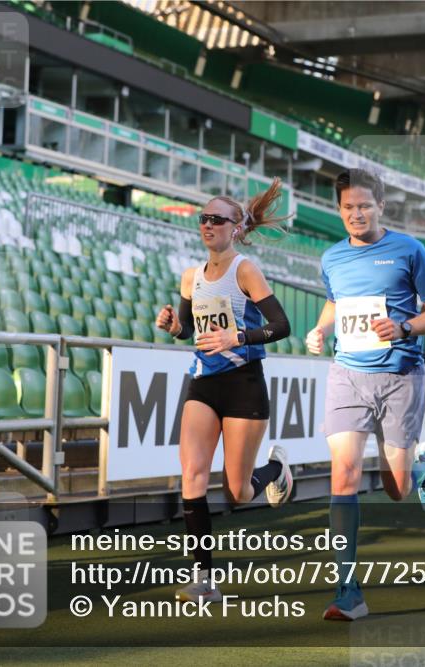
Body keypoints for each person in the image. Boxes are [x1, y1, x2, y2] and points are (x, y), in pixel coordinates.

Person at [305, 168, 425, 621]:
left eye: (364, 205)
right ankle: (348, 591)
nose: (356, 213)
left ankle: (424, 468)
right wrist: (321, 327)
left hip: (399, 376)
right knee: (344, 473)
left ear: (381, 206)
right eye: (348, 206)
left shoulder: (409, 249)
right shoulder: (332, 257)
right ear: (339, 209)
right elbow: (335, 301)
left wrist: (404, 326)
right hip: (347, 374)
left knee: (397, 489)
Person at [155, 178, 295, 603]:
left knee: (238, 490)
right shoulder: (190, 276)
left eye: (217, 219)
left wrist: (239, 338)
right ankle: (204, 579)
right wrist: (173, 325)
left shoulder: (245, 269)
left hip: (244, 383)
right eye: (203, 218)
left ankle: (276, 472)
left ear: (236, 227)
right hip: (203, 381)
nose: (207, 225)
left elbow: (282, 326)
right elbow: (187, 332)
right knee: (193, 476)